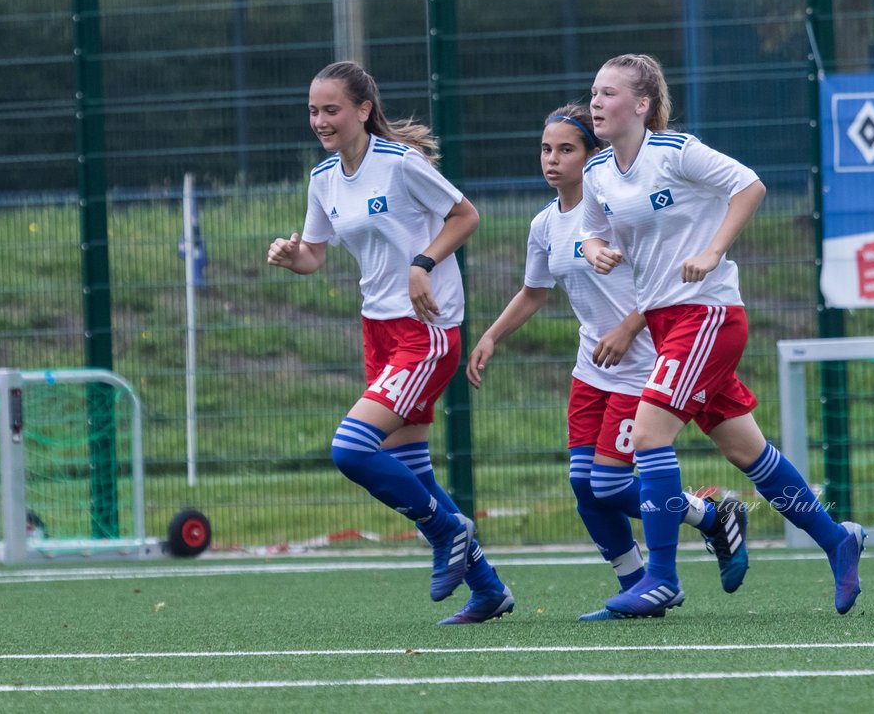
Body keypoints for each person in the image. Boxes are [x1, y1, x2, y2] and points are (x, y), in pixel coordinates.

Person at [579, 53, 866, 619]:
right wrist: (592, 247)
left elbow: (749, 185)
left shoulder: (675, 151)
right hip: (667, 324)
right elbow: (589, 228)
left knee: (651, 436)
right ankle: (837, 540)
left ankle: (660, 577)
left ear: (642, 105)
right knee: (745, 450)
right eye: (593, 92)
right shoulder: (597, 172)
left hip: (706, 316)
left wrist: (713, 250)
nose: (595, 102)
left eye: (608, 93)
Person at [466, 103, 750, 621]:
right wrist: (490, 336)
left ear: (593, 156)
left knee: (611, 484)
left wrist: (629, 326)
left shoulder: (619, 211)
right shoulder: (545, 223)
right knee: (584, 485)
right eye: (546, 149)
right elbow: (533, 291)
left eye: (566, 150)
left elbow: (660, 276)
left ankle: (710, 515)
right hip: (589, 369)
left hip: (640, 363)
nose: (552, 160)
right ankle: (637, 585)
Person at [266, 61, 513, 625]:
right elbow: (315, 254)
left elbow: (465, 214)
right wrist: (290, 256)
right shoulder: (324, 179)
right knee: (412, 468)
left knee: (351, 450)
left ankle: (449, 530)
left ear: (362, 110)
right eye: (313, 110)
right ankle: (488, 588)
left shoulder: (400, 164)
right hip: (377, 330)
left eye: (331, 109)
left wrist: (423, 263)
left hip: (425, 330)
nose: (321, 120)